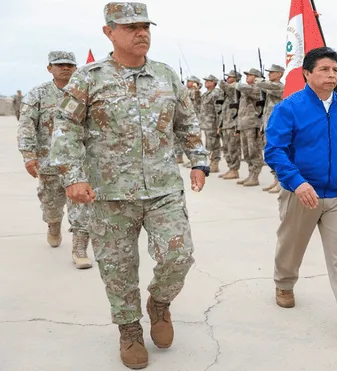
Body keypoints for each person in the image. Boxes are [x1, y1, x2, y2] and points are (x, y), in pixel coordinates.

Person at [49, 2, 209, 368]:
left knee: (178, 256)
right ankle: (129, 329)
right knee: (118, 270)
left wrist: (199, 161)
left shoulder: (166, 75)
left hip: (163, 188)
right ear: (109, 32)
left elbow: (187, 122)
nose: (141, 33)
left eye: (144, 26)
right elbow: (66, 128)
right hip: (108, 194)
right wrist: (73, 176)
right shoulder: (89, 78)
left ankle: (160, 303)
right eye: (130, 27)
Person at [265, 46, 337, 339]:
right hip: (302, 193)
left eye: (335, 70)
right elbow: (275, 150)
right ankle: (284, 283)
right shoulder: (289, 108)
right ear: (307, 73)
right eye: (324, 69)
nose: (332, 75)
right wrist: (297, 181)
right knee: (291, 247)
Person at [17, 51, 93, 269]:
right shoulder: (38, 94)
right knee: (52, 206)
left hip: (79, 164)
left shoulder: (84, 93)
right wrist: (28, 155)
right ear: (50, 68)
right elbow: (26, 125)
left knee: (82, 207)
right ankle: (53, 224)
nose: (66, 68)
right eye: (60, 65)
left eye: (70, 65)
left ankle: (79, 248)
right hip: (48, 162)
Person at [256, 64, 285, 194]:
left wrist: (259, 80)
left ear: (279, 74)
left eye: (272, 72)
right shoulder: (270, 88)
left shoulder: (279, 87)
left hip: (278, 126)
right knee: (271, 154)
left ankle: (282, 182)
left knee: (279, 154)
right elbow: (266, 109)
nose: (269, 74)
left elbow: (263, 85)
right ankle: (275, 179)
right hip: (269, 125)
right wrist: (263, 126)